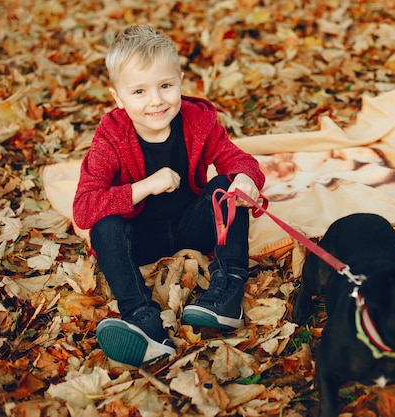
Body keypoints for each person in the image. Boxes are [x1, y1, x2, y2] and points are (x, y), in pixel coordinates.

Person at [72, 24, 265, 367]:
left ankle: (228, 292)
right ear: (117, 97)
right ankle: (142, 319)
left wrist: (246, 180)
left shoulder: (197, 121)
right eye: (139, 92)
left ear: (179, 79)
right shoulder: (111, 137)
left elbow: (237, 159)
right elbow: (84, 209)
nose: (157, 101)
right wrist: (144, 186)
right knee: (104, 224)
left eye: (165, 86)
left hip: (190, 228)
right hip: (140, 238)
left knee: (225, 185)